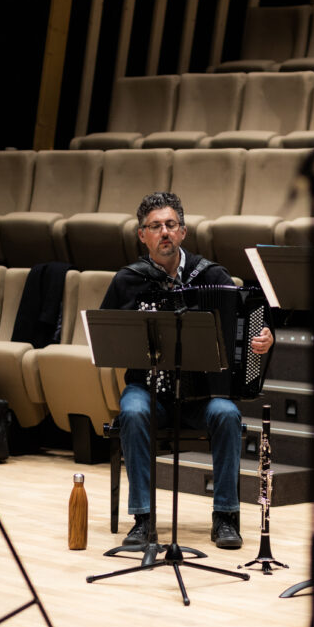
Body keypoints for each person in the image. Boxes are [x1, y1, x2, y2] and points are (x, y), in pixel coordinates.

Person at [100, 192, 274, 549]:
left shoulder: (212, 275)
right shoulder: (127, 281)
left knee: (227, 414)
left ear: (183, 231)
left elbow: (246, 327)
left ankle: (225, 516)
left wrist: (263, 338)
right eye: (155, 227)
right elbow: (105, 338)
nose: (164, 232)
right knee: (132, 411)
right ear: (142, 235)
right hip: (148, 390)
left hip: (202, 396)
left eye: (171, 225)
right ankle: (143, 519)